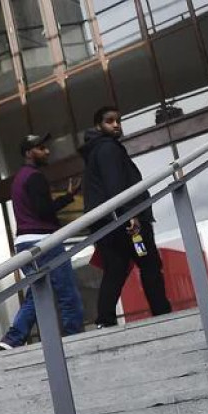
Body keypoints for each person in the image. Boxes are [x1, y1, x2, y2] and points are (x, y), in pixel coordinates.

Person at [80, 106, 172, 327]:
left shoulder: (96, 152)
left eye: (118, 120)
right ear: (98, 126)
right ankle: (162, 313)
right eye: (109, 121)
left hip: (110, 225)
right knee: (149, 263)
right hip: (128, 224)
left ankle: (105, 320)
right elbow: (116, 184)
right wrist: (129, 214)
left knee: (116, 268)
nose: (116, 125)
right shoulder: (108, 148)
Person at [0, 133, 85, 350]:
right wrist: (66, 199)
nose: (47, 151)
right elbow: (44, 211)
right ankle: (75, 337)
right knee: (67, 290)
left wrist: (67, 197)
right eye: (40, 148)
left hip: (24, 242)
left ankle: (11, 339)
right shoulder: (35, 177)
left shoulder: (19, 178)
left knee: (37, 293)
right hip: (43, 241)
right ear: (29, 153)